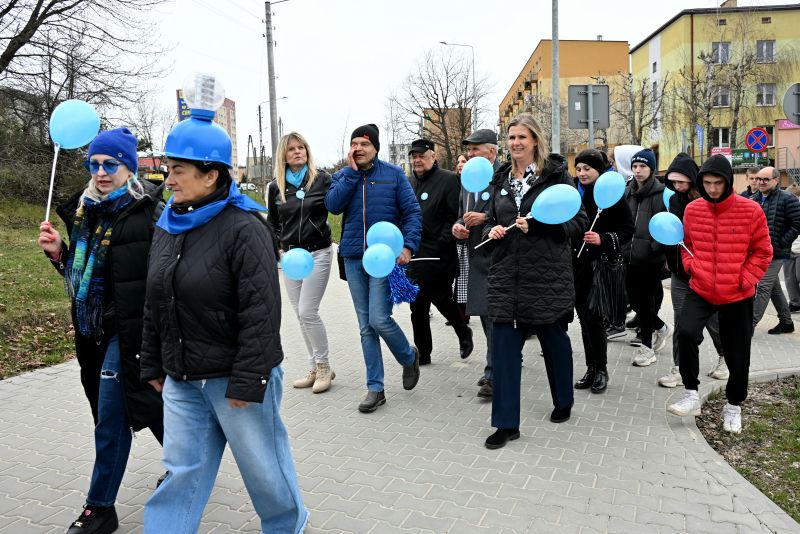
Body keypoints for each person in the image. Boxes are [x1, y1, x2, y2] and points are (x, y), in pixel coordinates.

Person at [140, 99, 307, 532]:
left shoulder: (245, 227)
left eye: (178, 170)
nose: (168, 179)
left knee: (264, 471)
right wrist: (153, 362)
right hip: (182, 378)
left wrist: (248, 379)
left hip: (234, 378)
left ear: (210, 175)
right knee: (181, 471)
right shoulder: (168, 224)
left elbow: (261, 311)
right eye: (169, 169)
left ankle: (288, 526)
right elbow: (155, 299)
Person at [37, 128, 165, 534]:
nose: (101, 172)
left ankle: (99, 509)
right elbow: (85, 277)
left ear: (129, 167)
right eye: (93, 164)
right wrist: (59, 254)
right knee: (143, 408)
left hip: (130, 333)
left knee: (111, 417)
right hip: (92, 331)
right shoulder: (83, 210)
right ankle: (188, 462)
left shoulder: (149, 213)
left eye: (110, 164)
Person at [482, 114, 588, 449]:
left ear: (535, 141)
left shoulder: (555, 177)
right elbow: (489, 221)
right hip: (506, 278)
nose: (515, 143)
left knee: (554, 344)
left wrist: (540, 227)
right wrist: (491, 231)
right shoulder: (499, 179)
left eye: (522, 137)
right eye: (511, 137)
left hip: (546, 277)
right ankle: (506, 424)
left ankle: (563, 399)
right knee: (504, 351)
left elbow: (578, 222)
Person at [667, 155, 772, 433]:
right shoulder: (693, 210)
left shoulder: (750, 210)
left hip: (737, 293)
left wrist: (745, 279)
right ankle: (691, 394)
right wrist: (691, 266)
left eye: (718, 183)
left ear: (728, 182)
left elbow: (763, 251)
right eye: (707, 183)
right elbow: (686, 244)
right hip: (701, 287)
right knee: (686, 333)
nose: (712, 189)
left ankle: (733, 406)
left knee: (738, 353)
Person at [325, 124, 422, 413]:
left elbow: (412, 212)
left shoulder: (393, 175)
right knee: (366, 326)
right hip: (354, 257)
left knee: (379, 319)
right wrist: (351, 174)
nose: (358, 148)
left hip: (384, 258)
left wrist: (408, 247)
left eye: (364, 144)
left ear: (375, 148)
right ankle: (375, 388)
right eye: (354, 144)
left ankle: (408, 357)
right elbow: (333, 205)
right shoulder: (344, 175)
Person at [267, 132, 335, 393]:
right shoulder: (275, 186)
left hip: (318, 252)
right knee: (300, 314)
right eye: (292, 149)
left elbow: (337, 204)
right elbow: (273, 222)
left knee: (308, 311)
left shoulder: (322, 180)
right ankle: (314, 366)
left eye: (301, 147)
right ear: (283, 155)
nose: (298, 152)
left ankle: (324, 367)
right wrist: (278, 246)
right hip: (291, 258)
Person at [657, 153, 727, 389]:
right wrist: (669, 259)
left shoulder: (708, 200)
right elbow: (670, 232)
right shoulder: (673, 200)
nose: (677, 186)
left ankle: (725, 357)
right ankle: (679, 368)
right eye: (673, 182)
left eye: (681, 181)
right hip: (680, 271)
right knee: (681, 318)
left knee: (712, 318)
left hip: (705, 270)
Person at [571, 149, 633, 394]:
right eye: (579, 169)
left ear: (598, 170)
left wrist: (603, 239)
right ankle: (591, 368)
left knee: (594, 318)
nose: (582, 173)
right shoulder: (573, 191)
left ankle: (601, 370)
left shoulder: (611, 193)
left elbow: (627, 229)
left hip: (600, 266)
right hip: (576, 265)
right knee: (584, 319)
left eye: (587, 169)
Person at [406, 139, 473, 365]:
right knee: (417, 306)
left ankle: (463, 331)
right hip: (415, 253)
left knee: (441, 298)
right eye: (414, 156)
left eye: (422, 156)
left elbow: (456, 214)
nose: (417, 160)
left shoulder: (448, 179)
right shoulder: (409, 182)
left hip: (439, 254)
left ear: (433, 157)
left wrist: (442, 240)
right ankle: (423, 352)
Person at [454, 129, 500, 398]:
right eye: (468, 150)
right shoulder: (467, 179)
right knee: (484, 314)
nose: (469, 154)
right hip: (474, 256)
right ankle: (495, 366)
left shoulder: (503, 177)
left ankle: (495, 372)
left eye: (475, 149)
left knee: (494, 316)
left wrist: (484, 219)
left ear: (491, 152)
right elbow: (462, 214)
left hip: (496, 255)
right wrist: (458, 226)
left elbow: (510, 214)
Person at [621, 148, 672, 366]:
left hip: (651, 259)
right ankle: (661, 327)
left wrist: (655, 247)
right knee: (634, 301)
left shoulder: (662, 194)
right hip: (628, 256)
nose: (638, 170)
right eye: (635, 166)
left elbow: (668, 224)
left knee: (645, 302)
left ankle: (647, 348)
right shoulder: (627, 192)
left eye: (642, 166)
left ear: (651, 169)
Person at [750, 166, 800, 334]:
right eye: (758, 179)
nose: (760, 182)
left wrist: (781, 242)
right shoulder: (753, 199)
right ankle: (786, 322)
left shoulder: (787, 198)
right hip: (757, 252)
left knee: (763, 287)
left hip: (776, 252)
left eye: (765, 179)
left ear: (776, 180)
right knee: (773, 288)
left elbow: (797, 223)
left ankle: (748, 325)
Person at [452, 153, 470, 324]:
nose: (460, 164)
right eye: (458, 162)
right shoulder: (455, 181)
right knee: (458, 280)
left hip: (471, 239)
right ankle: (460, 314)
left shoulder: (473, 183)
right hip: (457, 236)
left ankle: (464, 314)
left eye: (463, 161)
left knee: (464, 279)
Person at [784, 184, 800, 313]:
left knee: (799, 276)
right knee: (789, 279)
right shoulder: (785, 210)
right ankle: (795, 303)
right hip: (788, 249)